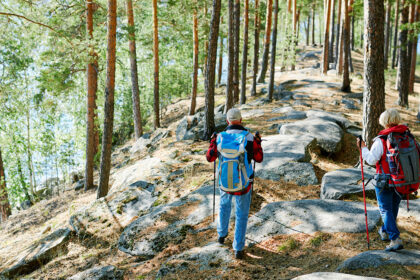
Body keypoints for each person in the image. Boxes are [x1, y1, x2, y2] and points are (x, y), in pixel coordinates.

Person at [206, 108, 263, 259]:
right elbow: (258, 158)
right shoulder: (249, 137)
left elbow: (209, 158)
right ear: (241, 120)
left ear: (227, 121)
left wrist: (212, 141)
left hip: (225, 182)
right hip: (243, 183)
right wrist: (258, 142)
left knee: (224, 206)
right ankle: (238, 248)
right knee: (242, 214)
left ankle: (221, 235)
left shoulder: (220, 137)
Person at [357, 108, 409, 252]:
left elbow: (372, 160)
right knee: (393, 207)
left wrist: (363, 148)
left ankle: (395, 238)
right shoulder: (405, 136)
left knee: (385, 209)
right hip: (401, 180)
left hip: (384, 179)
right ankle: (385, 231)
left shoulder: (381, 139)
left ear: (384, 122)